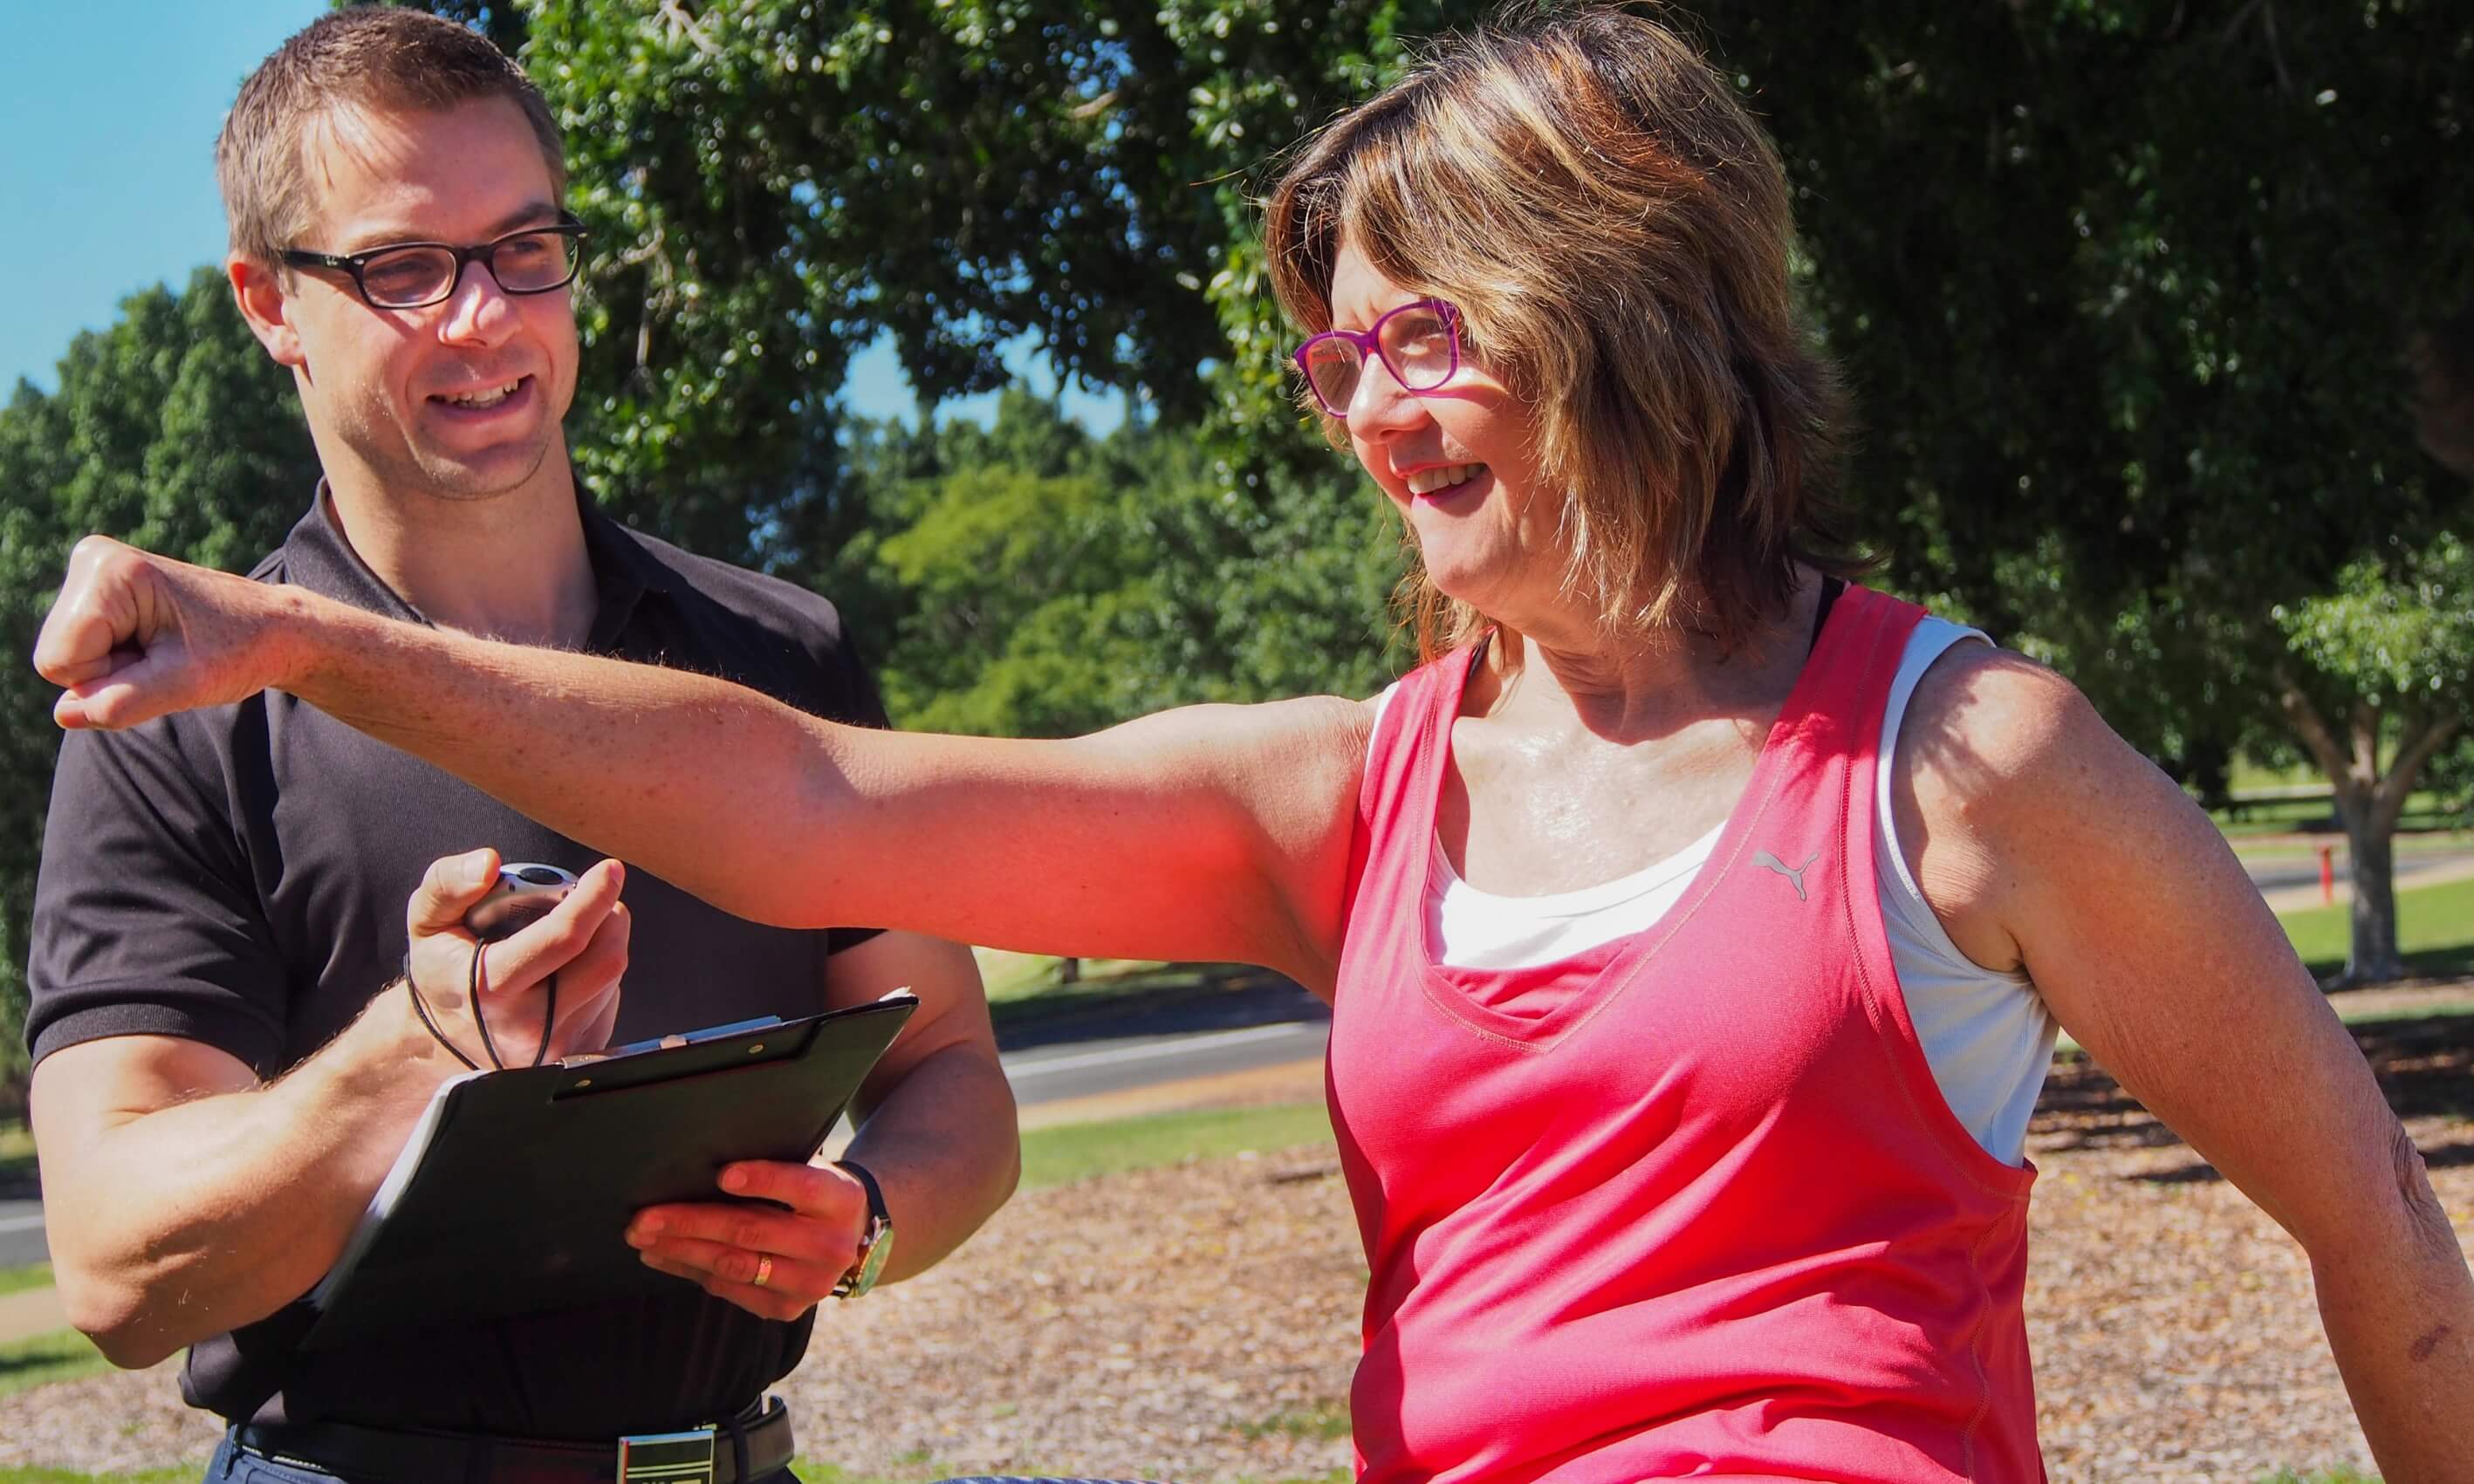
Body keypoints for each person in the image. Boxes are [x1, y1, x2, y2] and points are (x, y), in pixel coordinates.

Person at [33, 7, 2472, 1481]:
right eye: (1340, 355)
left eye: (1425, 334)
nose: (1366, 410)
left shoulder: (1963, 754)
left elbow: (2372, 1216)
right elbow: (792, 793)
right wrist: (294, 641)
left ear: (1628, 312)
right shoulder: (1348, 790)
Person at [22, 10, 1015, 1483]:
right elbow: (112, 1270)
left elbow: (950, 1074)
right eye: (404, 270)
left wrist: (863, 1221)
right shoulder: (177, 715)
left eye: (522, 248)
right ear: (268, 303)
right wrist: (414, 1052)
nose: (484, 316)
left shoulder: (777, 654)